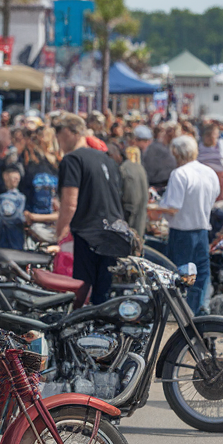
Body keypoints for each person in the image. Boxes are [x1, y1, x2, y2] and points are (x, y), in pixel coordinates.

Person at [54, 114, 127, 304]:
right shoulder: (108, 159)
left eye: (61, 133)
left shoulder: (72, 159)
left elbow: (70, 203)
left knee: (81, 291)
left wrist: (60, 235)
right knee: (103, 295)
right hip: (114, 230)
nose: (58, 139)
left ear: (75, 132)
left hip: (88, 233)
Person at [155, 135, 221, 314]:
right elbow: (215, 197)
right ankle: (195, 311)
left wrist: (151, 208)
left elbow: (173, 207)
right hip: (201, 231)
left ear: (176, 152)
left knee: (179, 277)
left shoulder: (180, 174)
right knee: (200, 276)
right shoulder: (209, 172)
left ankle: (179, 314)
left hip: (182, 233)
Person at [0, 162, 27, 249]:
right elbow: (6, 216)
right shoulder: (0, 198)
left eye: (17, 176)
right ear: (5, 176)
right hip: (2, 239)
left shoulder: (22, 197)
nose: (16, 179)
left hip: (16, 237)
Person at [117, 145, 149, 239]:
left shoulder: (125, 168)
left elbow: (129, 199)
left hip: (131, 217)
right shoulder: (141, 169)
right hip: (141, 215)